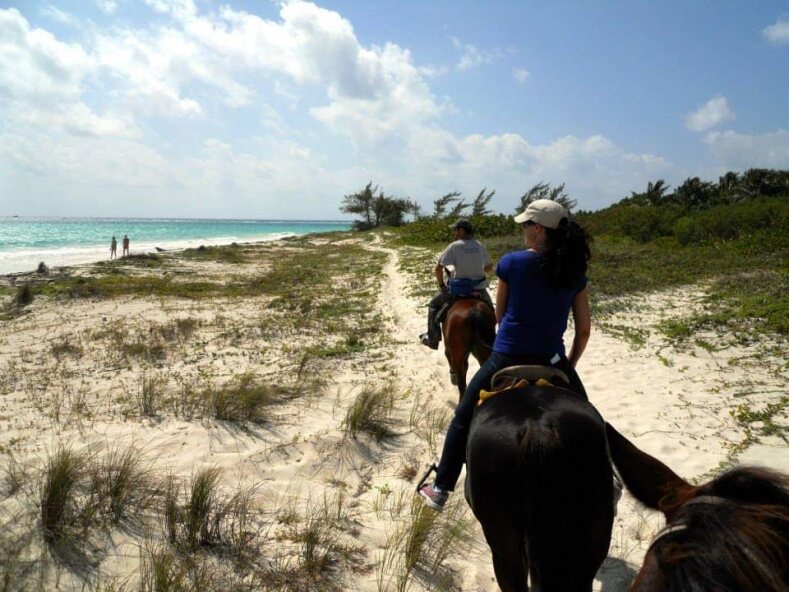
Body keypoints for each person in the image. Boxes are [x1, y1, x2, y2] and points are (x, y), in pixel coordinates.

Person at [418, 199, 592, 510]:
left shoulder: (512, 263)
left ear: (538, 229)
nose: (524, 230)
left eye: (526, 225)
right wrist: (568, 364)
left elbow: (498, 315)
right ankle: (607, 481)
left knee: (462, 417)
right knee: (591, 418)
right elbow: (583, 331)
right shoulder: (575, 270)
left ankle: (441, 486)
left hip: (506, 358)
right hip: (552, 360)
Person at [419, 219, 494, 350]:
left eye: (455, 229)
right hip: (480, 290)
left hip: (459, 291)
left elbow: (438, 268)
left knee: (433, 305)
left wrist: (442, 286)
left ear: (461, 230)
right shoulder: (479, 245)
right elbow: (488, 267)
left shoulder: (454, 246)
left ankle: (433, 339)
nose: (454, 232)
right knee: (491, 312)